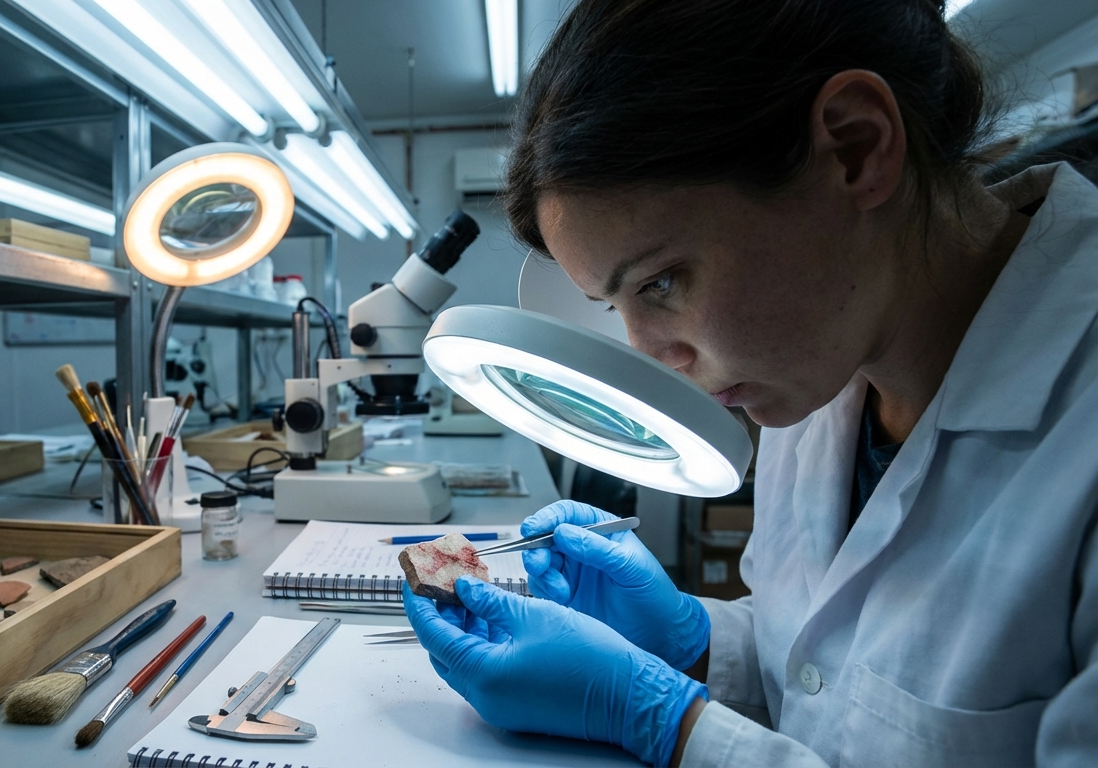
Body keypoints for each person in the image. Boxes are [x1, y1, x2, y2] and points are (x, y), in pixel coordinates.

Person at [402, 0, 1098, 766]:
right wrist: (695, 645)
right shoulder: (820, 360)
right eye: (617, 304)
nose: (651, 353)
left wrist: (670, 725)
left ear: (855, 149)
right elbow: (821, 676)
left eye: (663, 282)